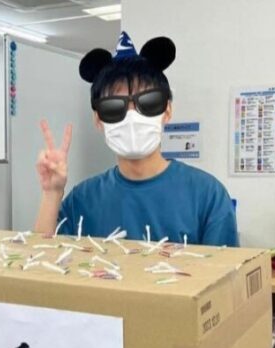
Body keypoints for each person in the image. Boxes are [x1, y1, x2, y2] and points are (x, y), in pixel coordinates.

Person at [34, 32, 238, 247]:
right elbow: (41, 256)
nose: (132, 116)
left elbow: (227, 267)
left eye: (148, 103)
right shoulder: (83, 199)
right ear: (98, 119)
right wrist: (52, 193)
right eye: (114, 107)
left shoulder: (207, 195)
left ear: (167, 111)